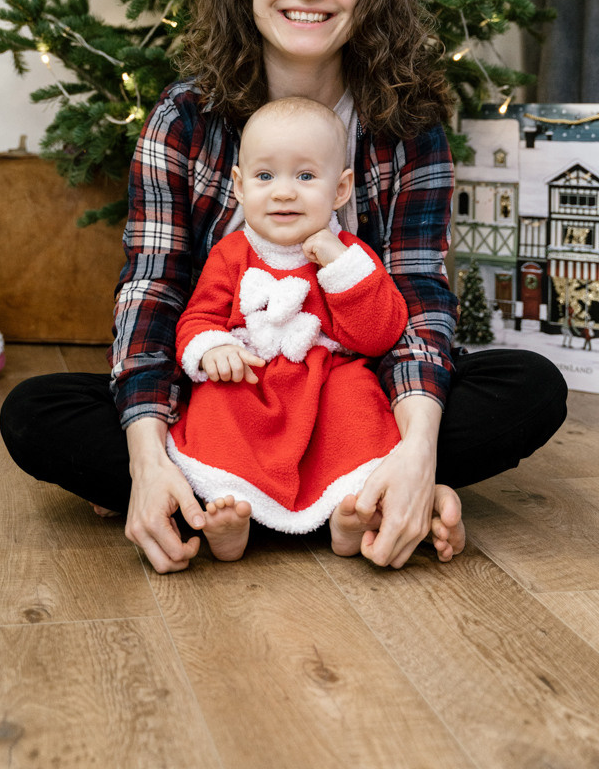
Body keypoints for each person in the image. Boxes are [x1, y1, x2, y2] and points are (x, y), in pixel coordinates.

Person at [0, 0, 567, 575]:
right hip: (226, 404)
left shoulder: (405, 126)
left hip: (349, 404)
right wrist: (146, 455)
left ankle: (334, 490)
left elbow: (418, 302)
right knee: (36, 412)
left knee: (530, 387)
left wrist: (417, 453)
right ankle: (296, 498)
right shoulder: (186, 119)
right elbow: (154, 296)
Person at [170, 94, 455, 564]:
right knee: (217, 405)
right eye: (265, 176)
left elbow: (381, 335)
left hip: (324, 383)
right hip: (252, 378)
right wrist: (212, 348)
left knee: (358, 403)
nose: (284, 192)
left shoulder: (350, 256)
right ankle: (228, 509)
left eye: (305, 177)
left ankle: (351, 511)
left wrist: (340, 268)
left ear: (340, 189)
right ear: (239, 186)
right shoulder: (231, 253)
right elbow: (197, 317)